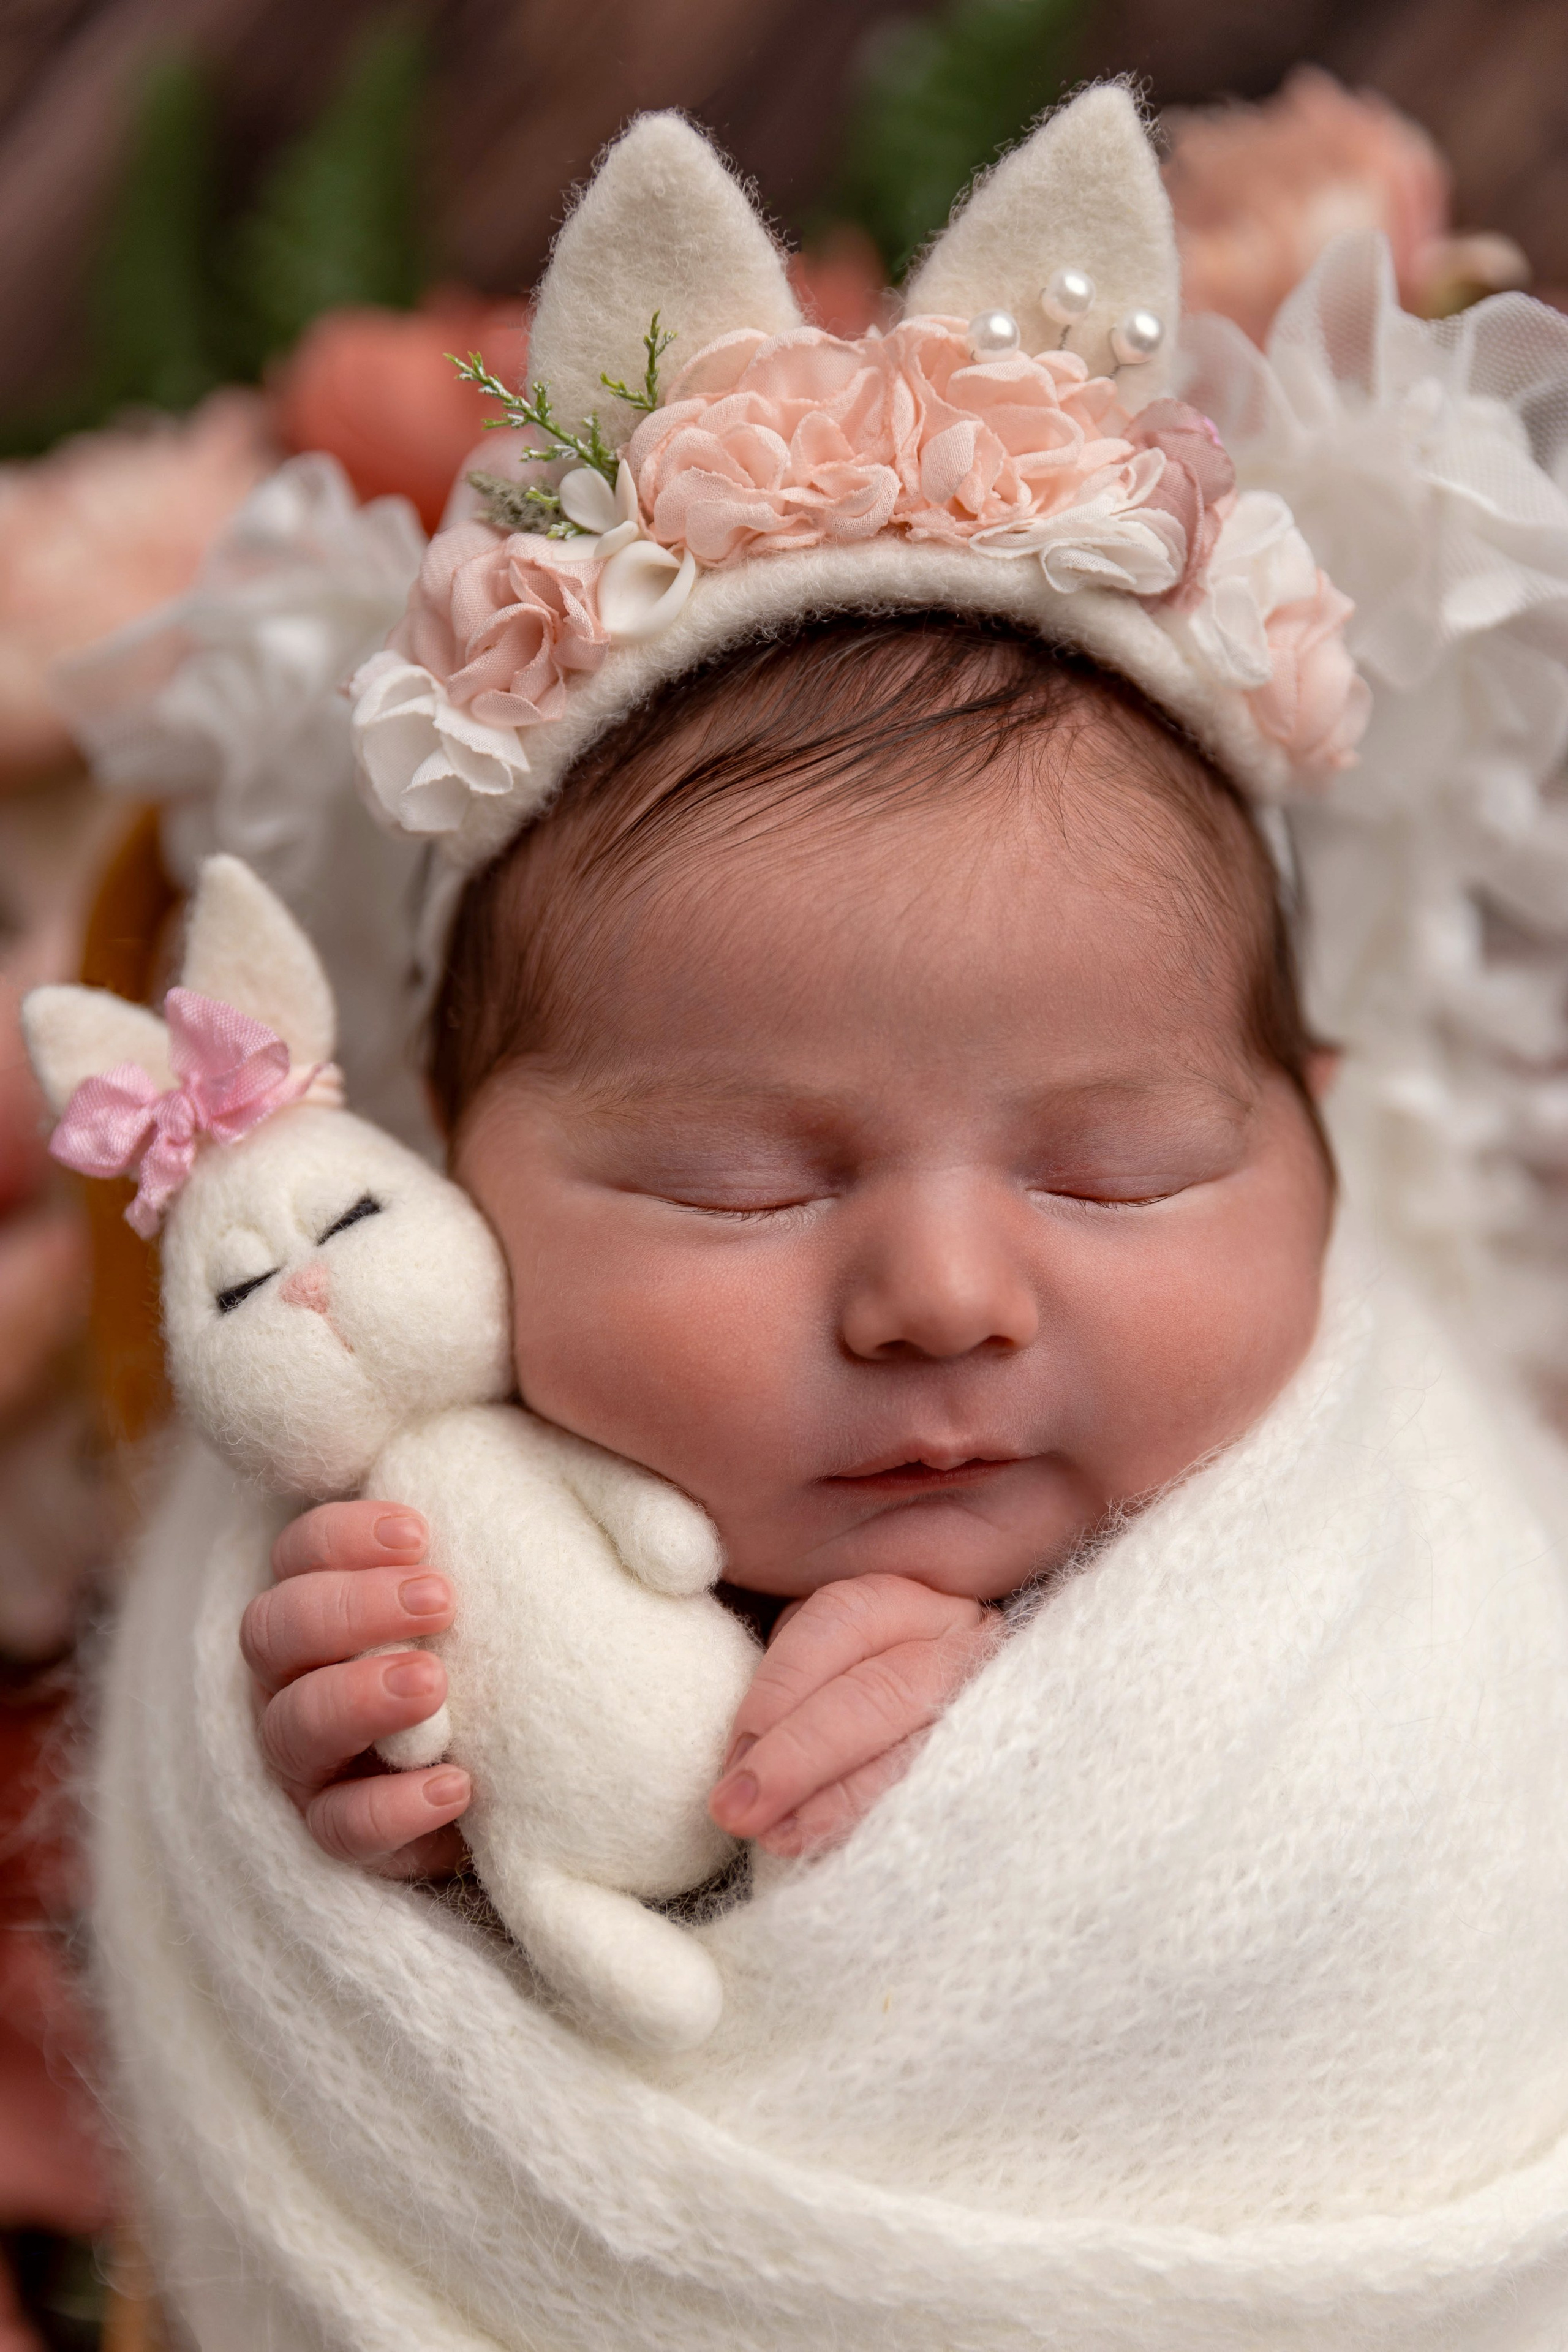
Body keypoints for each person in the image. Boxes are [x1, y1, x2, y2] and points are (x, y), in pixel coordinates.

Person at [77, 91, 1568, 2352]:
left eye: (1115, 1168)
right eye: (737, 1184)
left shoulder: (1378, 1566)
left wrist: (1006, 1773)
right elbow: (375, 1941)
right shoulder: (438, 1499)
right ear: (451, 1165)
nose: (943, 1298)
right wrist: (370, 1775)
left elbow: (1439, 1857)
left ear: (1323, 1149)